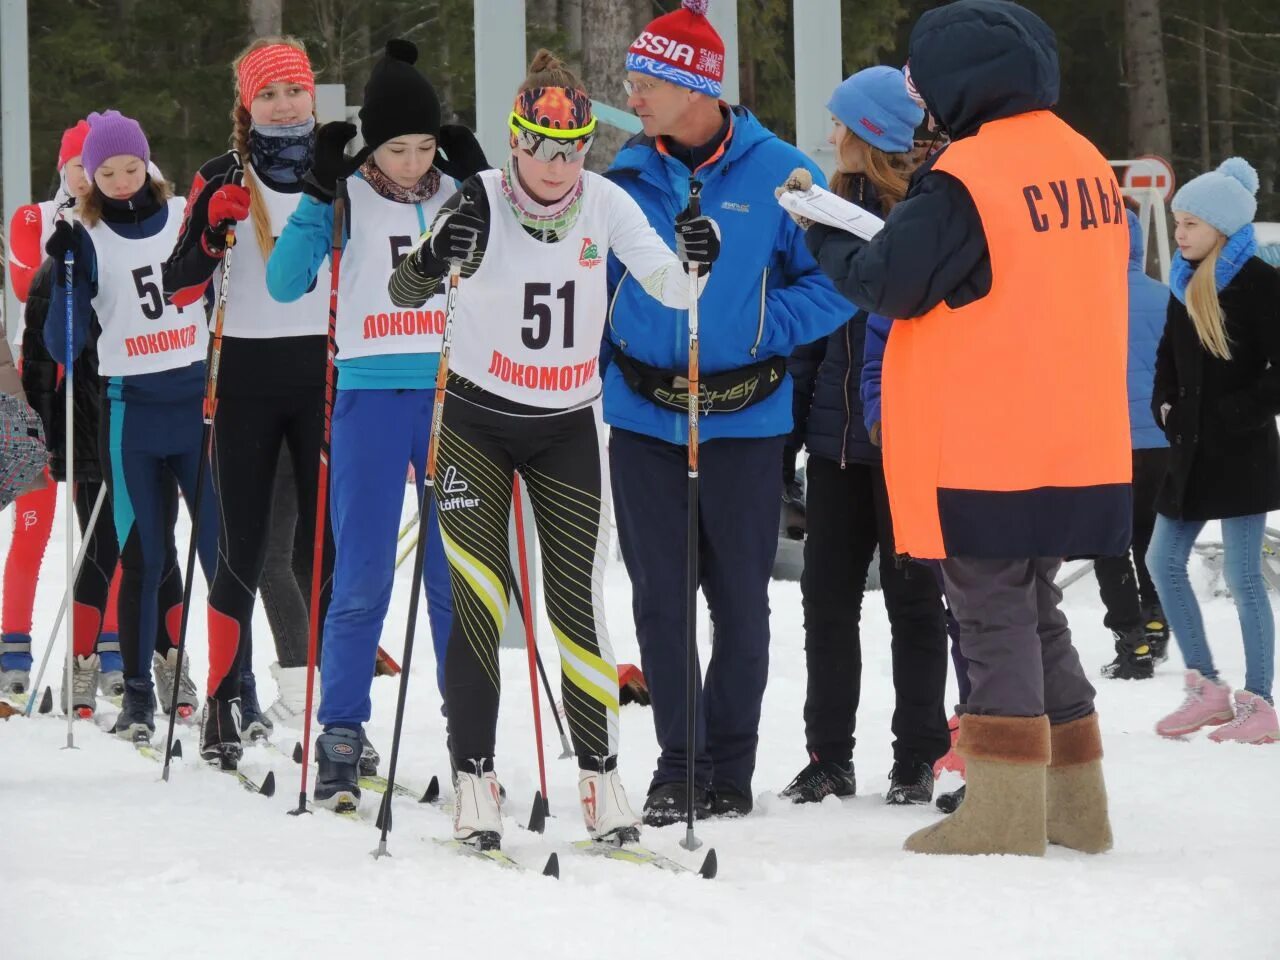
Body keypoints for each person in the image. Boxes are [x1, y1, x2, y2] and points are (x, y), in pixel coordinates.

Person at [803, 0, 1131, 856]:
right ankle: (1076, 806)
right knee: (1036, 610)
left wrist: (821, 236)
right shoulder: (1086, 160)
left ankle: (1006, 811)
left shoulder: (971, 174)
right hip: (1073, 432)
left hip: (985, 435)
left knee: (989, 614)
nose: (921, 93)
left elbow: (890, 281)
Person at [387, 49, 721, 849]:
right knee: (477, 597)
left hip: (568, 427)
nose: (554, 163)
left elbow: (674, 287)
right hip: (473, 421)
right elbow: (404, 292)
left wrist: (699, 258)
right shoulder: (478, 200)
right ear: (514, 140)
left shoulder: (604, 204)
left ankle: (602, 780)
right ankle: (474, 777)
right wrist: (436, 255)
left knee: (574, 606)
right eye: (539, 144)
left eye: (570, 148)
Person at [605, 0, 848, 825]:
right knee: (660, 602)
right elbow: (587, 287)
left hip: (744, 422)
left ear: (693, 86)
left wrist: (760, 325)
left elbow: (836, 283)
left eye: (644, 81)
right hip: (643, 418)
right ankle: (678, 765)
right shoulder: (626, 176)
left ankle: (728, 767)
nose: (630, 95)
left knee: (741, 602)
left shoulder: (781, 173)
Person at [269, 39, 487, 797]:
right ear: (372, 143)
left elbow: (515, 259)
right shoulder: (346, 196)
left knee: (452, 579)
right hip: (367, 398)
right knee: (361, 576)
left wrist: (483, 177)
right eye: (398, 147)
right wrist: (312, 192)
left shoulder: (458, 191)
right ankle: (341, 729)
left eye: (426, 146)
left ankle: (471, 734)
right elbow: (284, 279)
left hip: (450, 401)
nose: (413, 161)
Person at [161, 36, 334, 763]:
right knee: (242, 545)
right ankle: (226, 700)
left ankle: (332, 710)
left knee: (322, 549)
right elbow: (176, 286)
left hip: (322, 372)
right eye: (268, 94)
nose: (284, 104)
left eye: (293, 90)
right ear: (247, 104)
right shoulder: (219, 174)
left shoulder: (342, 169)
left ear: (313, 94)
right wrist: (205, 235)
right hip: (243, 377)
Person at [779, 67, 949, 807]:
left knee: (914, 603)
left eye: (840, 124)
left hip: (909, 445)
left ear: (871, 135)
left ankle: (918, 756)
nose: (829, 137)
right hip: (836, 441)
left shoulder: (929, 214)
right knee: (826, 601)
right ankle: (829, 756)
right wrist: (791, 433)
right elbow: (814, 333)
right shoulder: (827, 209)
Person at [45, 110, 218, 742]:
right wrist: (64, 274)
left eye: (130, 166)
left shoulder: (179, 217)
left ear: (147, 164)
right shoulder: (85, 234)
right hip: (131, 411)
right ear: (89, 177)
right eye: (107, 171)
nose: (121, 179)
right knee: (145, 555)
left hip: (196, 404)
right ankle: (141, 693)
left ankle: (230, 687)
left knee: (218, 551)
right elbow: (65, 344)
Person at [1149, 157, 1280, 745]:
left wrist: (1237, 414)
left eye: (1192, 224)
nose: (1181, 232)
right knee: (1161, 560)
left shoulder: (1260, 282)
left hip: (1242, 451)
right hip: (1191, 450)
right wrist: (1165, 404)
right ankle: (1206, 689)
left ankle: (1259, 701)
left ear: (1223, 228)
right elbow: (1167, 359)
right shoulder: (1182, 282)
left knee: (1243, 574)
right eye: (1178, 221)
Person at [1, 121, 92, 699]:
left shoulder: (125, 219)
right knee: (32, 526)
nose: (87, 176)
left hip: (92, 384)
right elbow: (23, 283)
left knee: (99, 526)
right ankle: (13, 650)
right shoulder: (33, 218)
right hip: (30, 389)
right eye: (78, 164)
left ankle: (100, 651)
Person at [1094, 206, 1172, 681]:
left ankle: (1131, 640)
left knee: (1109, 542)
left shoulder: (1083, 301)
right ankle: (1158, 617)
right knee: (1151, 535)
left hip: (1107, 442)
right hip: (1161, 442)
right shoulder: (1167, 298)